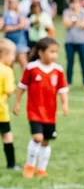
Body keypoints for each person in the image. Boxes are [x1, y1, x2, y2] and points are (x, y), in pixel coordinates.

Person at [13, 37, 69, 179]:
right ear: (41, 52)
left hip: (50, 113)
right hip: (35, 111)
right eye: (51, 52)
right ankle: (30, 165)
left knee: (46, 140)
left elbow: (62, 89)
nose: (54, 55)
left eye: (56, 52)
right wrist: (17, 103)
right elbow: (22, 87)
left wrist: (64, 104)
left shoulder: (58, 70)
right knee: (38, 137)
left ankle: (42, 168)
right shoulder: (31, 69)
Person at [63, 0, 84, 89]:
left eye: (78, 1)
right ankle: (69, 83)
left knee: (83, 63)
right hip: (70, 42)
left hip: (82, 41)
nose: (76, 3)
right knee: (70, 63)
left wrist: (74, 21)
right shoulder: (67, 12)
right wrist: (74, 21)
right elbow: (66, 24)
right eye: (74, 1)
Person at [0, 39, 19, 169]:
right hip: (1, 110)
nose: (14, 58)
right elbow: (9, 91)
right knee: (7, 135)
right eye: (12, 55)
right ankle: (11, 164)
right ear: (3, 54)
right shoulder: (7, 71)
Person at [1, 0, 29, 70]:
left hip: (20, 42)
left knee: (23, 63)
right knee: (9, 64)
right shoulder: (6, 14)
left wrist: (8, 28)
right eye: (10, 2)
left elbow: (21, 25)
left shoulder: (21, 13)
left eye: (13, 2)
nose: (12, 4)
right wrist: (15, 27)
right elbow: (1, 26)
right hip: (9, 42)